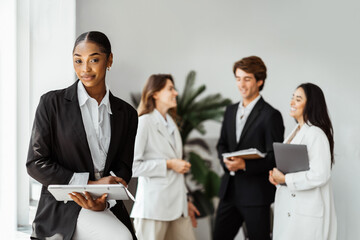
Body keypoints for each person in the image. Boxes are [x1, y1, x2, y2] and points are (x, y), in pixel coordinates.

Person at [26, 31, 138, 240]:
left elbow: (123, 168)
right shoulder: (51, 104)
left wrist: (104, 198)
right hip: (63, 206)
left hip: (106, 204)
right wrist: (89, 185)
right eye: (78, 61)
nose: (85, 69)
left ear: (109, 60)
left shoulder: (127, 114)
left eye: (94, 60)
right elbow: (36, 162)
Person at [214, 56, 285, 240]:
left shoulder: (271, 115)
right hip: (229, 192)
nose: (241, 84)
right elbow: (221, 144)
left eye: (247, 79)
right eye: (238, 78)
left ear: (259, 81)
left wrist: (244, 165)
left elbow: (274, 157)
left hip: (256, 196)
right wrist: (227, 162)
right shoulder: (230, 110)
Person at [130, 74, 200, 240]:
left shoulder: (172, 123)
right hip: (153, 208)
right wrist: (168, 164)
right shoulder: (144, 122)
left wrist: (186, 201)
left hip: (178, 208)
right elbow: (133, 167)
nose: (175, 93)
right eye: (170, 89)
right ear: (155, 93)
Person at [269, 83, 337, 240]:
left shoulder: (316, 134)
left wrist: (286, 179)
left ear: (310, 105)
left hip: (305, 217)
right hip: (292, 211)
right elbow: (295, 169)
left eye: (298, 99)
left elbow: (320, 174)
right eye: (292, 98)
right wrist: (278, 178)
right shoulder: (297, 131)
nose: (292, 103)